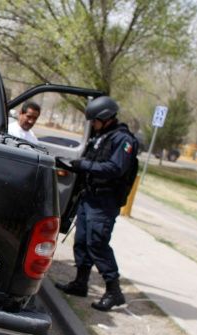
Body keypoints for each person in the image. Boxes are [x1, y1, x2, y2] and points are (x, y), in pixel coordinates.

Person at [55, 96, 138, 312]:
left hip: (104, 201)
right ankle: (80, 283)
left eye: (95, 120)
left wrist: (84, 165)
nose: (92, 124)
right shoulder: (102, 136)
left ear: (105, 117)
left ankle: (114, 291)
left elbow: (114, 168)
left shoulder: (123, 140)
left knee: (97, 244)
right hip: (89, 198)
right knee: (82, 241)